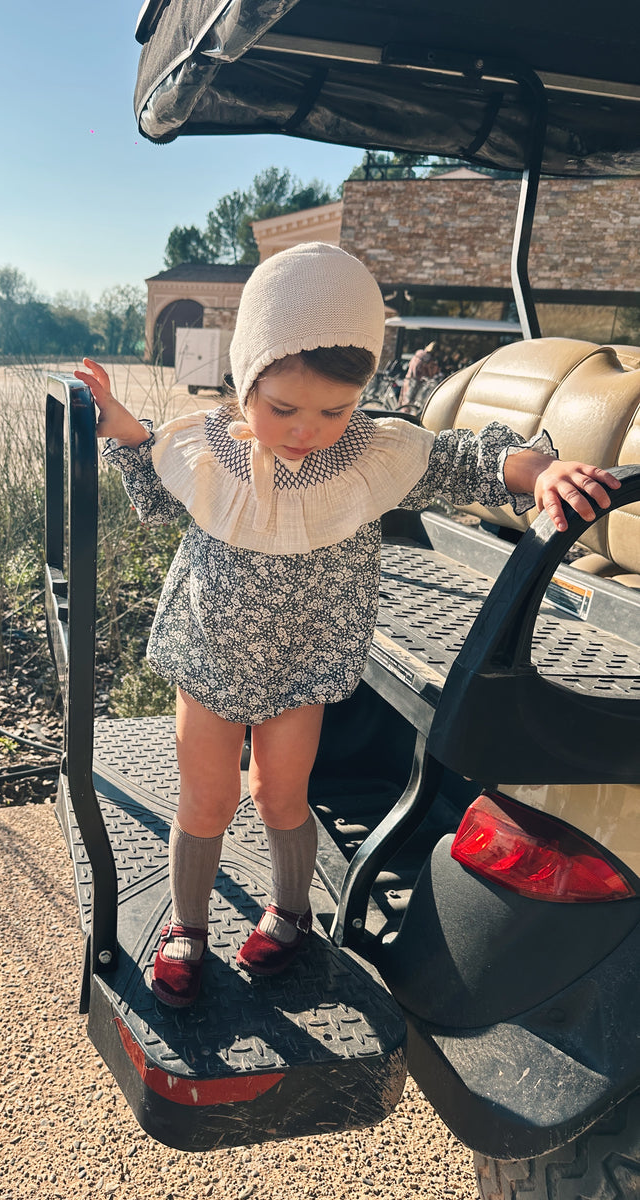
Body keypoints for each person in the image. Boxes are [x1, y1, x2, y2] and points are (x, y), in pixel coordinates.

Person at [74, 242, 619, 1008]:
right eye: (283, 408)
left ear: (361, 392)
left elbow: (468, 463)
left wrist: (541, 471)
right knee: (205, 800)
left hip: (303, 662)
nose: (307, 430)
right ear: (244, 381)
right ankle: (187, 929)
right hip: (209, 651)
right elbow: (155, 482)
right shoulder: (210, 447)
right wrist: (125, 427)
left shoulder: (374, 453)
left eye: (335, 409)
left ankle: (290, 915)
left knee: (279, 795)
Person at [400, 340, 440, 409]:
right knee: (411, 403)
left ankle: (402, 414)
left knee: (405, 400)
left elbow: (410, 365)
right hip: (417, 380)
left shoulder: (418, 353)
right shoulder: (428, 359)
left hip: (409, 378)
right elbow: (430, 372)